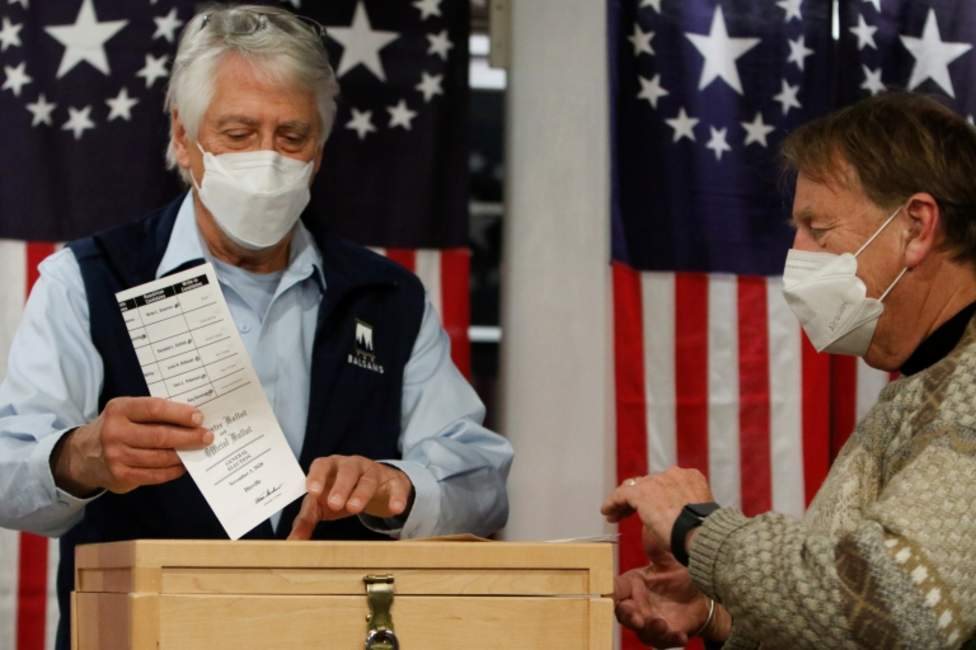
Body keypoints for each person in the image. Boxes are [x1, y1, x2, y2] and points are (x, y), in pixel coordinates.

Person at [0, 6, 512, 649]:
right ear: (184, 137)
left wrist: (400, 488)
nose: (266, 160)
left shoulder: (386, 298)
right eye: (238, 133)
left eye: (291, 136)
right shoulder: (88, 280)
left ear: (319, 152)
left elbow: (482, 484)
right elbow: (7, 471)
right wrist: (83, 456)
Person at [602, 92, 976, 648]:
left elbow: (897, 606)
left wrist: (698, 530)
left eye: (817, 229)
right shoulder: (924, 381)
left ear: (917, 227)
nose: (796, 254)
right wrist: (720, 615)